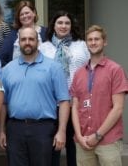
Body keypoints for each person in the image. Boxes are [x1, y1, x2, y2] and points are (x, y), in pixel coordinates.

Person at [0, 27, 70, 166]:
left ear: (38, 42)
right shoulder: (7, 69)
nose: (27, 42)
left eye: (31, 39)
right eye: (23, 39)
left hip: (43, 128)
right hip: (15, 128)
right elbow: (3, 103)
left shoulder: (53, 67)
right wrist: (1, 131)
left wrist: (61, 131)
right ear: (18, 42)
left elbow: (64, 101)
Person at [70, 25, 128, 166]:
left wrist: (97, 135)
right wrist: (78, 135)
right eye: (90, 40)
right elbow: (75, 107)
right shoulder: (78, 73)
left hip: (108, 140)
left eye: (97, 39)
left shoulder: (115, 70)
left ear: (104, 42)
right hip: (83, 142)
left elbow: (118, 108)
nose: (93, 42)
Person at [39, 10, 90, 166]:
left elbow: (90, 69)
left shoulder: (81, 45)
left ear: (71, 25)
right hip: (52, 103)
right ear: (53, 25)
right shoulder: (43, 47)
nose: (63, 26)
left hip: (76, 103)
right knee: (54, 147)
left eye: (67, 23)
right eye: (60, 22)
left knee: (74, 146)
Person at [0, 0, 47, 66]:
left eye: (27, 13)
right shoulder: (12, 36)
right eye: (21, 14)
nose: (24, 16)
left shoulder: (46, 33)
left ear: (34, 13)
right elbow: (2, 58)